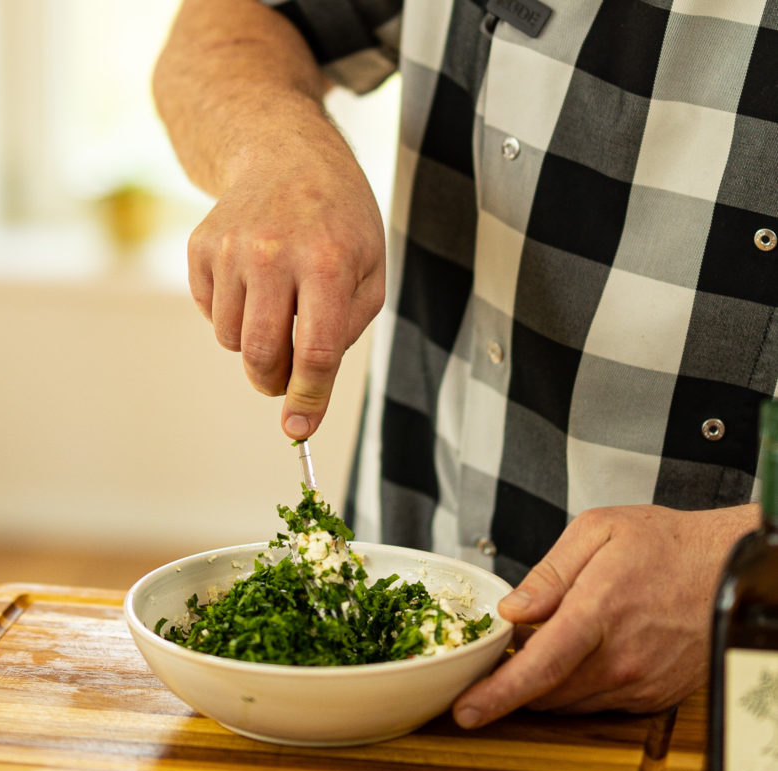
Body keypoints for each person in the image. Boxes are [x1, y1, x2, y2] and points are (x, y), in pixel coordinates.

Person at [153, 0, 777, 726]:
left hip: (742, 678)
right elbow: (229, 25)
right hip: (403, 598)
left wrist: (743, 562)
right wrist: (279, 153)